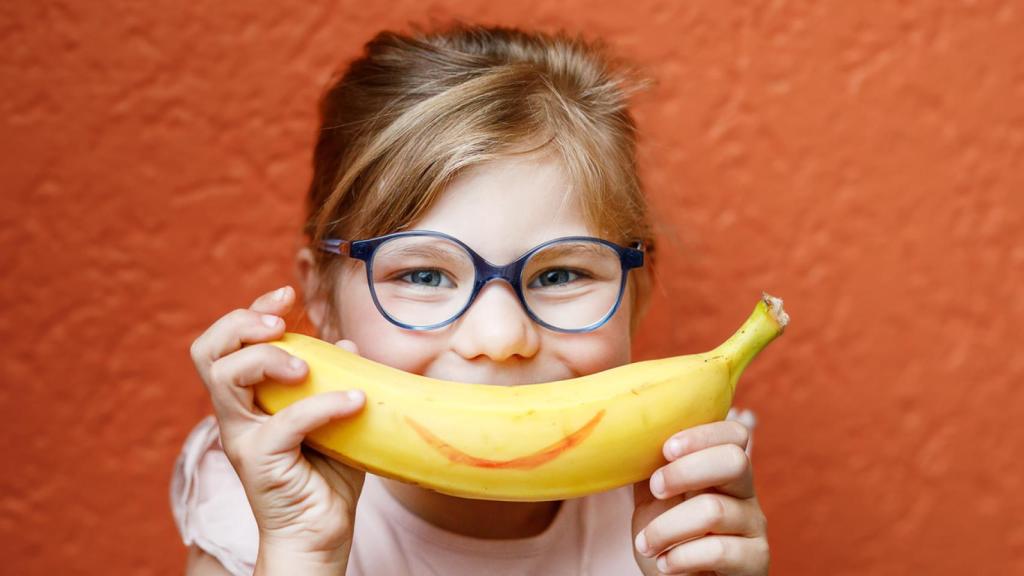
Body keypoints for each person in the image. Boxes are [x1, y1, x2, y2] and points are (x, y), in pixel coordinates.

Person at [171, 22, 770, 575]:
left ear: (637, 290)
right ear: (320, 298)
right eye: (426, 276)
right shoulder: (263, 506)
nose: (501, 337)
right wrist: (300, 552)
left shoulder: (685, 501)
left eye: (560, 275)